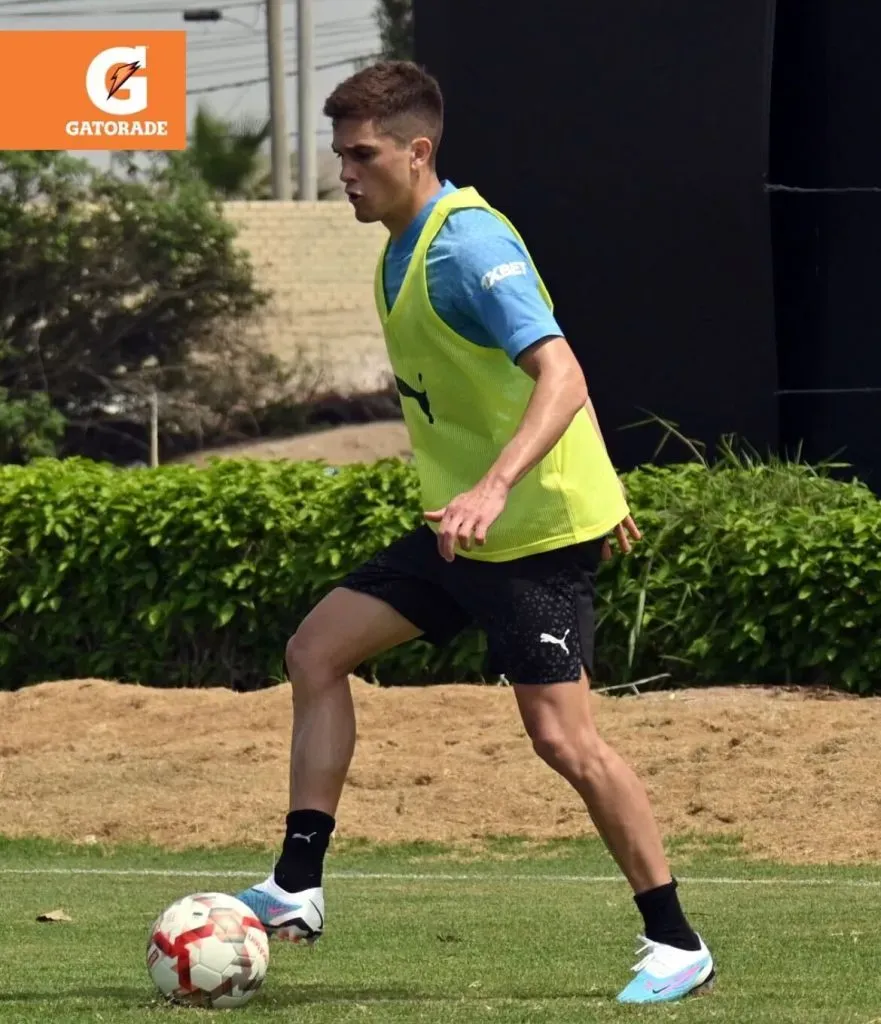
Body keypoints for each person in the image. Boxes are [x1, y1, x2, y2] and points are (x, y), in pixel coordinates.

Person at [237, 60, 715, 1005]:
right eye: (339, 155)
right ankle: (296, 888)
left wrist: (498, 489)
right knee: (316, 652)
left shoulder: (466, 246)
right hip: (460, 529)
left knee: (562, 740)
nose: (345, 173)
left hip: (525, 533)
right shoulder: (400, 243)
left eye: (361, 155)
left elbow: (560, 373)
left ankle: (676, 941)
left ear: (418, 152)